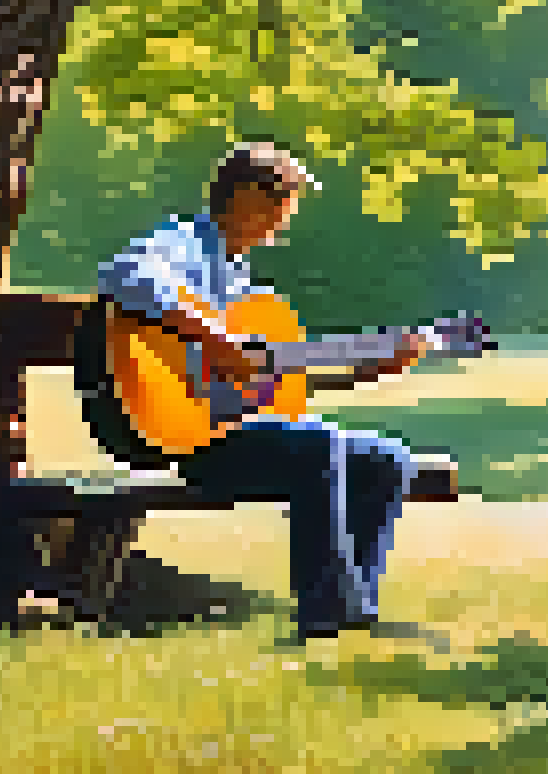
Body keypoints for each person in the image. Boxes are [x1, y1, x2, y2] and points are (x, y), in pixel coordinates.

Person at [96, 141, 433, 641]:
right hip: (190, 438)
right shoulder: (183, 243)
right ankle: (329, 614)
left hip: (240, 429)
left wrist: (366, 371)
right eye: (282, 203)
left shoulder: (237, 275)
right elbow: (125, 275)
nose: (286, 218)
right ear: (249, 197)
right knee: (319, 447)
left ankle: (354, 609)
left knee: (387, 459)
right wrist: (217, 338)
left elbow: (265, 383)